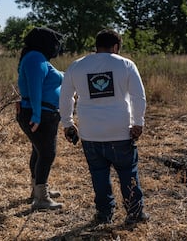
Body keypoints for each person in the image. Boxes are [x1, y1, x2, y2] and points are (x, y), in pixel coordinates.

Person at [59, 29, 149, 225]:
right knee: (128, 173)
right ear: (115, 47)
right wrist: (138, 123)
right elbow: (138, 97)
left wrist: (67, 123)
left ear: (97, 46)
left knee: (99, 175)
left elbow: (65, 97)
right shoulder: (125, 64)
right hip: (120, 131)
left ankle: (104, 214)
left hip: (90, 133)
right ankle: (134, 213)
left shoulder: (77, 66)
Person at [16, 27, 64, 210]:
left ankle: (37, 190)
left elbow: (54, 79)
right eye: (54, 42)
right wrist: (36, 116)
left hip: (45, 113)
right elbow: (35, 88)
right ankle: (41, 199)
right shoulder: (35, 58)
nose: (56, 46)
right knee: (47, 153)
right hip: (40, 114)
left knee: (38, 151)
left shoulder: (37, 57)